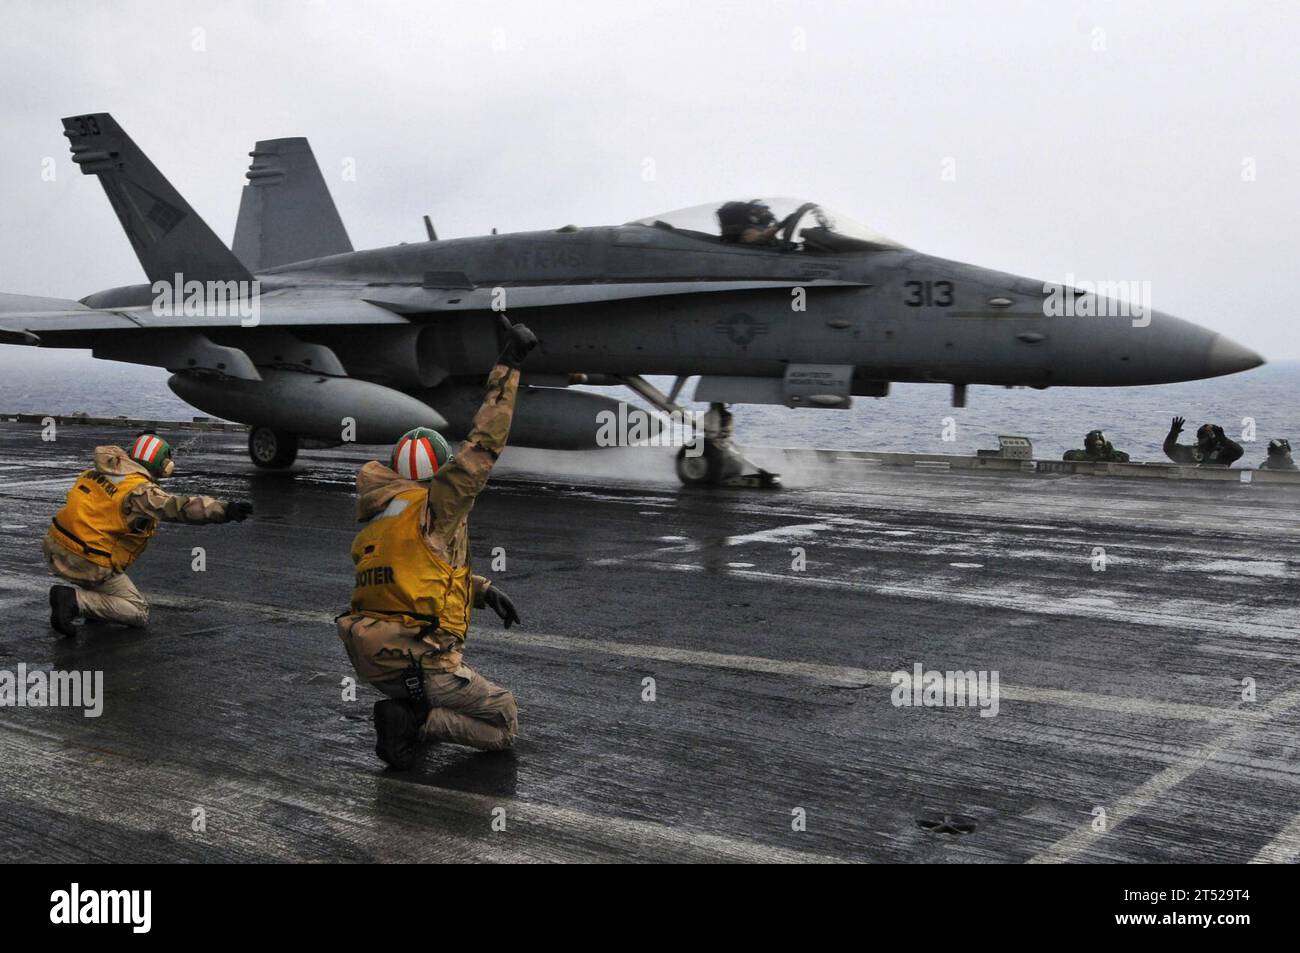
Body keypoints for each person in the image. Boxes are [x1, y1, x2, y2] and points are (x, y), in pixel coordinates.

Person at [336, 316, 537, 769]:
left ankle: (407, 711)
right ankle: (420, 722)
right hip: (421, 665)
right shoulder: (434, 508)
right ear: (437, 476)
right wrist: (510, 363)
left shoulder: (377, 519)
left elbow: (415, 578)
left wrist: (481, 590)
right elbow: (483, 446)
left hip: (374, 662)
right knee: (505, 721)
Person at [44, 432, 252, 636]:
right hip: (88, 559)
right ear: (163, 466)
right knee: (137, 611)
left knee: (104, 557)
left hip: (54, 546)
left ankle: (95, 607)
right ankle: (76, 601)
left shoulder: (98, 471)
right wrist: (225, 510)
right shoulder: (140, 492)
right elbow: (180, 508)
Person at [1162, 417, 1243, 467]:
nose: (1203, 440)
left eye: (1207, 437)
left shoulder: (1223, 453)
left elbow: (1239, 451)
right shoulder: (1190, 452)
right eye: (1201, 437)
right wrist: (1173, 433)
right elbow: (1168, 449)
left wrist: (1224, 440)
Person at [717, 200, 781, 245]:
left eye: (765, 211)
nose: (765, 214)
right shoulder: (748, 230)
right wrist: (777, 227)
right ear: (752, 212)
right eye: (761, 210)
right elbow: (760, 238)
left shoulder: (759, 227)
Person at [1062, 429, 1130, 463]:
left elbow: (1125, 457)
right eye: (1096, 444)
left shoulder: (1109, 455)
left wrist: (1109, 452)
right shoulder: (1083, 455)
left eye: (1100, 444)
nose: (1098, 446)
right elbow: (1067, 455)